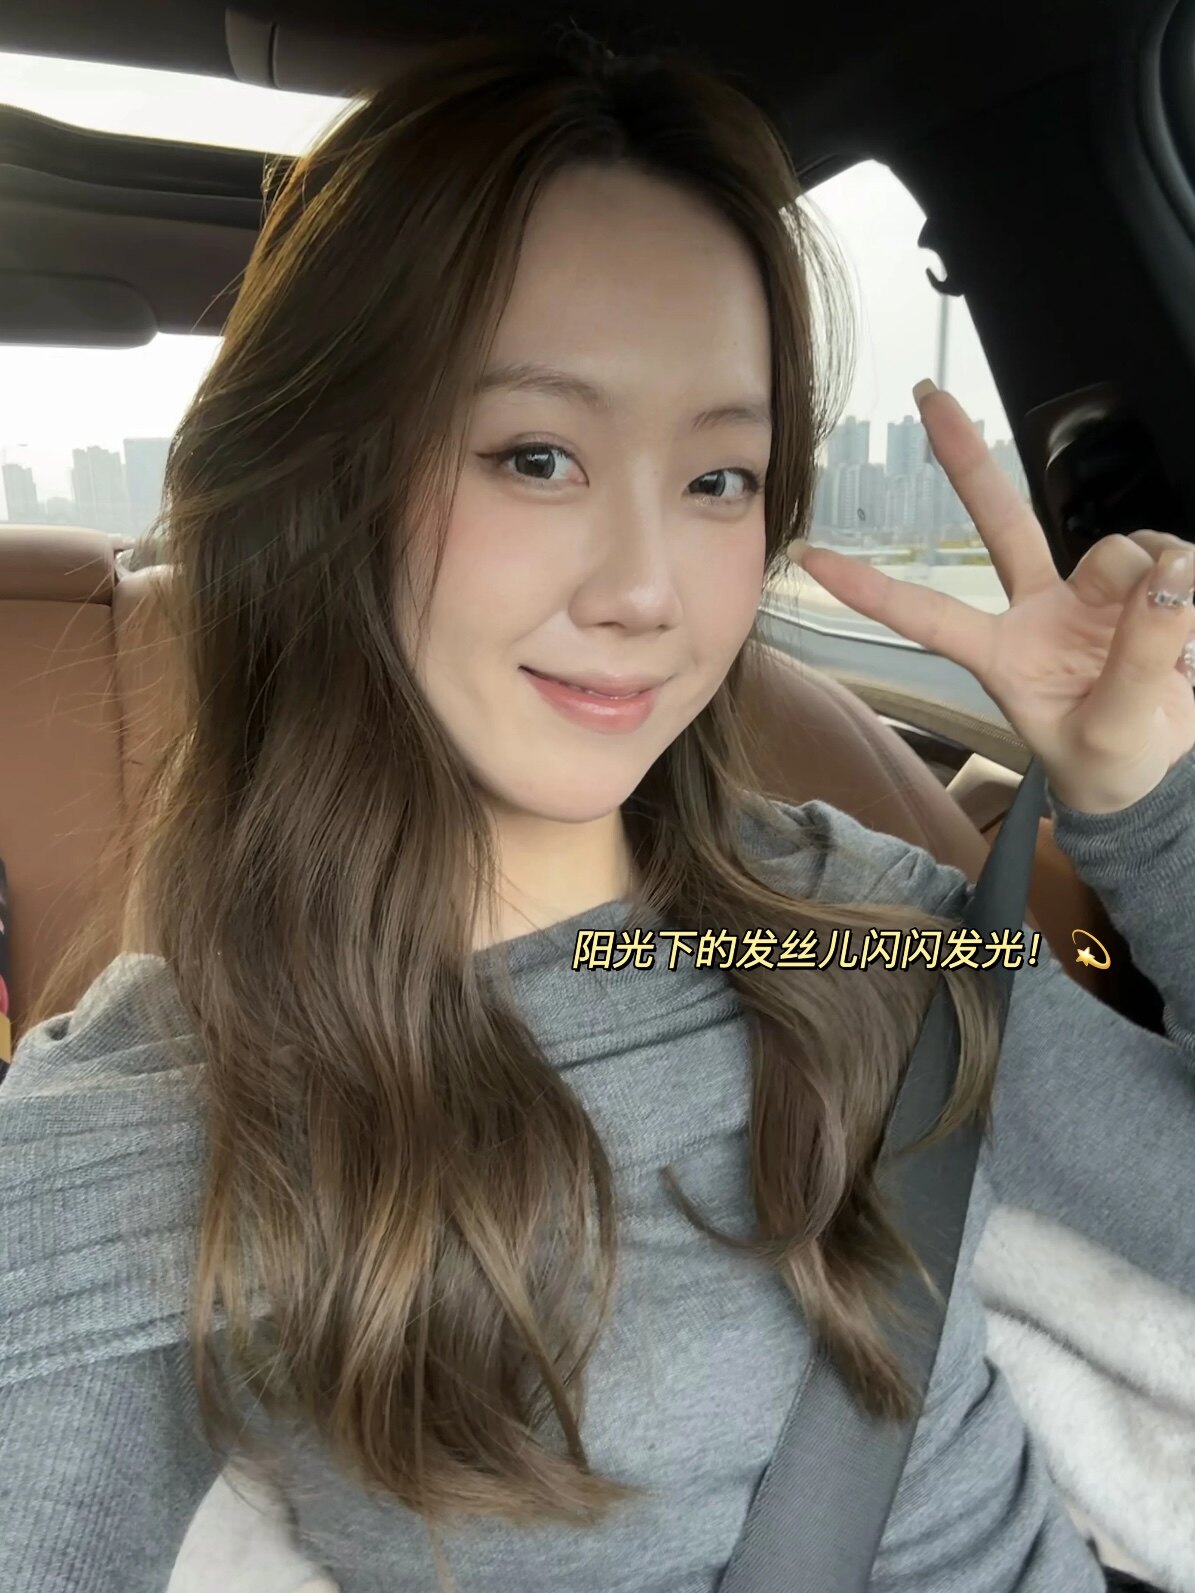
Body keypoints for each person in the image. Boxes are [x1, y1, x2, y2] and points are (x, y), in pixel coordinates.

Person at [1, 26, 1193, 1593]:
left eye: (718, 479)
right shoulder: (160, 1122)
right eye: (539, 455)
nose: (646, 589)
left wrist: (1149, 814)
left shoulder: (876, 934)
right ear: (322, 487)